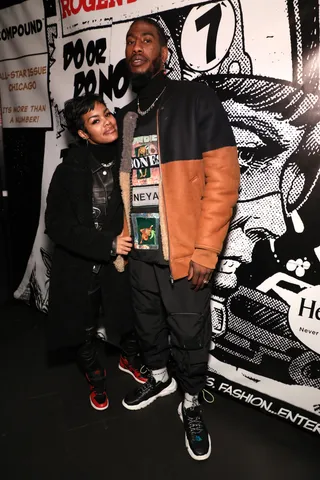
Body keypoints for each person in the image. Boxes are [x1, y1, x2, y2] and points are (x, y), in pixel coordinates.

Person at [116, 17, 240, 461]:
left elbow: (224, 181)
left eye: (146, 39)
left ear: (164, 53)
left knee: (189, 335)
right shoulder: (128, 117)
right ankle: (158, 377)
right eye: (130, 40)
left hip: (183, 253)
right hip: (140, 253)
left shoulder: (194, 98)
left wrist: (206, 249)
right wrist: (122, 239)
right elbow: (126, 185)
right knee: (148, 326)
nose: (137, 46)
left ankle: (189, 402)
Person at [45, 93, 148, 412]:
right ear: (82, 133)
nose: (107, 122)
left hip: (118, 264)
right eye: (95, 120)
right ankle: (96, 377)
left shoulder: (128, 158)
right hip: (80, 266)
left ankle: (128, 359)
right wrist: (107, 243)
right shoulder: (68, 171)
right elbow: (57, 226)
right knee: (83, 329)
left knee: (128, 317)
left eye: (107, 114)